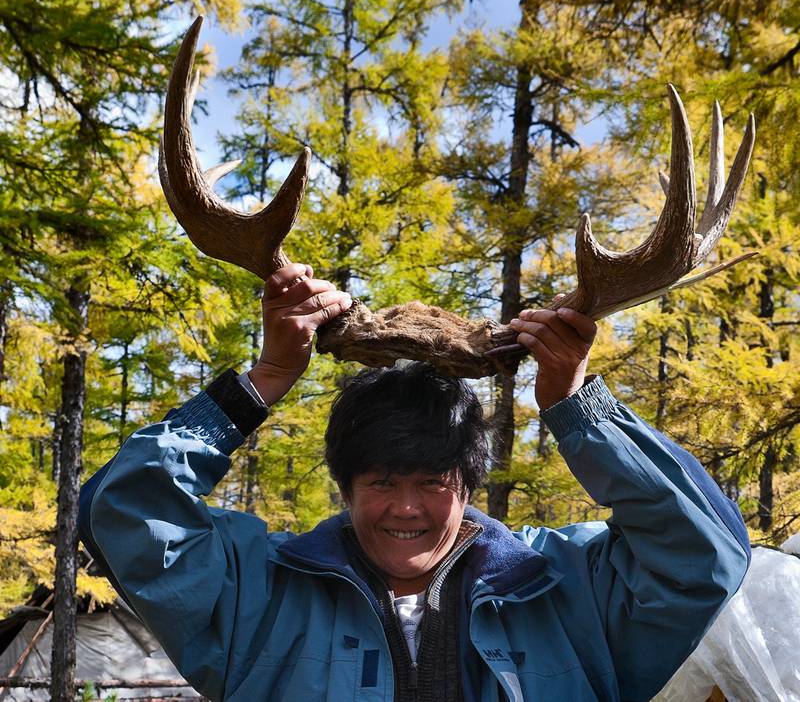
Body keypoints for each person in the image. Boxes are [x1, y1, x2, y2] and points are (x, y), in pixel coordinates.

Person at [78, 264, 750, 701]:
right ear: (344, 486)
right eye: (380, 481)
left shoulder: (565, 588)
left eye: (432, 482)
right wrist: (264, 379)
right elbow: (126, 513)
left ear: (468, 484)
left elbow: (703, 552)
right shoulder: (260, 592)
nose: (406, 508)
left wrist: (576, 407)